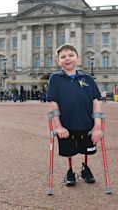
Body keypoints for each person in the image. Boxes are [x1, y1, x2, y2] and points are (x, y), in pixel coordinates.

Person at [46, 43, 103, 187]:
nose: (67, 59)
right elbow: (53, 103)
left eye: (71, 55)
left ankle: (85, 168)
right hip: (66, 123)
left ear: (77, 58)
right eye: (63, 57)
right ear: (58, 62)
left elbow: (95, 102)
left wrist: (97, 126)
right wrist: (58, 126)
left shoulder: (88, 78)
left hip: (86, 122)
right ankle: (70, 170)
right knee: (69, 150)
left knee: (87, 149)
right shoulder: (55, 79)